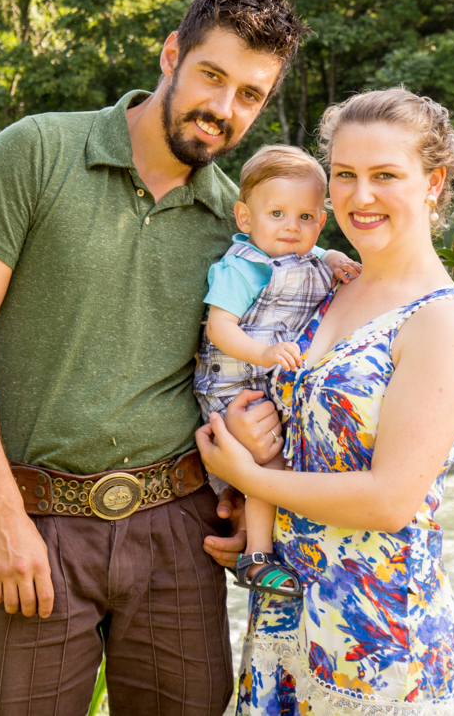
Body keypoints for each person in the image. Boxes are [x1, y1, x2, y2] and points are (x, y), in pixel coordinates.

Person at [0, 0, 307, 715]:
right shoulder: (36, 152)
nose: (224, 110)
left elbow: (234, 375)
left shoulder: (239, 230)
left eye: (250, 95)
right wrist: (0, 515)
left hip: (177, 534)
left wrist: (237, 494)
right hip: (33, 521)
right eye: (213, 76)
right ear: (171, 56)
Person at [196, 87, 454, 714]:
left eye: (386, 175)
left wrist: (246, 476)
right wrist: (250, 513)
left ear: (434, 183)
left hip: (374, 635)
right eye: (345, 175)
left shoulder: (441, 321)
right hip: (285, 613)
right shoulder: (329, 284)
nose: (360, 196)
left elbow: (388, 500)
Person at [193, 144, 361, 599]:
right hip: (236, 384)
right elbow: (219, 327)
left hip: (272, 383)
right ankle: (258, 556)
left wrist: (331, 259)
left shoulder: (310, 257)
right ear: (245, 219)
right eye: (277, 214)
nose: (291, 226)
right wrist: (264, 353)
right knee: (268, 459)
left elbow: (315, 254)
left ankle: (258, 535)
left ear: (320, 222)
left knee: (280, 459)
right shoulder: (242, 268)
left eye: (305, 218)